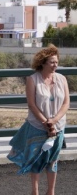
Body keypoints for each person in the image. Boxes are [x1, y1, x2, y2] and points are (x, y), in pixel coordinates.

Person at [7, 44, 69, 195]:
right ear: (43, 63)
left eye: (56, 61)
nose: (55, 65)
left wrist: (54, 121)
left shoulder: (62, 79)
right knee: (36, 159)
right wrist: (47, 123)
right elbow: (32, 104)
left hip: (58, 127)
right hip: (38, 126)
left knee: (53, 160)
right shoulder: (32, 79)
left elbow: (66, 103)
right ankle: (35, 192)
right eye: (52, 62)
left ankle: (51, 192)